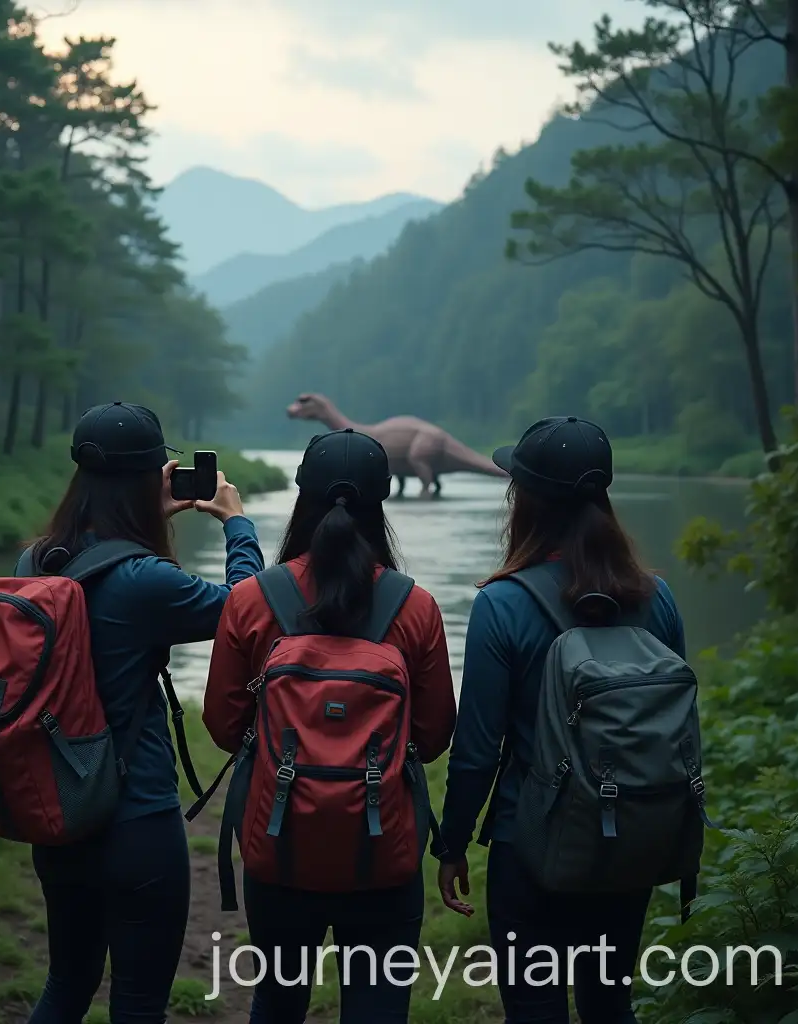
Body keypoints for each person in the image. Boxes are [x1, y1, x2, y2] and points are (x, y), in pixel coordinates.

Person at [437, 416, 687, 1024]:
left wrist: (452, 845)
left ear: (526, 500)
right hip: (628, 837)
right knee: (609, 1005)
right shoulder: (658, 598)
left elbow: (476, 749)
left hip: (532, 842)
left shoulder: (504, 602)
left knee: (534, 1009)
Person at [202, 428, 457, 1024]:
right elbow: (435, 736)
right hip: (383, 851)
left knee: (278, 1004)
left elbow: (221, 723)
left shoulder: (251, 601)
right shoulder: (414, 606)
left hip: (279, 841)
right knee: (377, 1009)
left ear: (301, 500)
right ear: (381, 503)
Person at [24, 401, 265, 1024]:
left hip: (57, 810)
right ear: (149, 478)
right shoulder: (144, 579)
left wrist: (142, 515)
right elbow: (246, 608)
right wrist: (236, 524)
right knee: (138, 1002)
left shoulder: (36, 563)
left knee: (66, 983)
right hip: (136, 821)